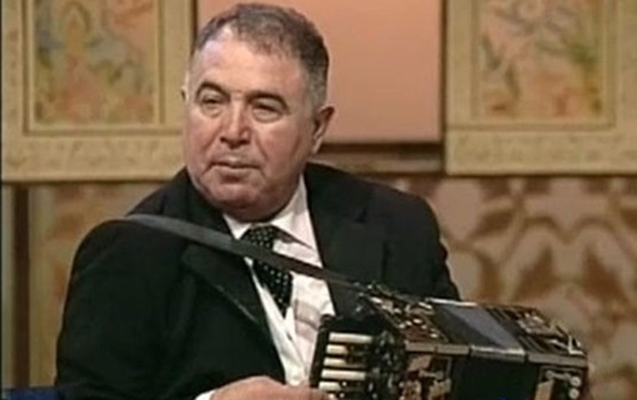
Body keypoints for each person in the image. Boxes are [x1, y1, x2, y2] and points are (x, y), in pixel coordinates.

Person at [55, 3, 459, 400]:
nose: (232, 131)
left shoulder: (397, 225)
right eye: (211, 102)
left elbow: (459, 377)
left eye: (264, 108)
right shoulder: (128, 254)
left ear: (317, 129)